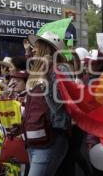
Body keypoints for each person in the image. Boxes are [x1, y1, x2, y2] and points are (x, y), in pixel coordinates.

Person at [22, 32, 71, 176]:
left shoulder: (61, 69)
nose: (33, 50)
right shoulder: (37, 71)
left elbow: (58, 105)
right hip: (34, 139)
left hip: (51, 138)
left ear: (45, 48)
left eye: (36, 46)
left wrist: (45, 76)